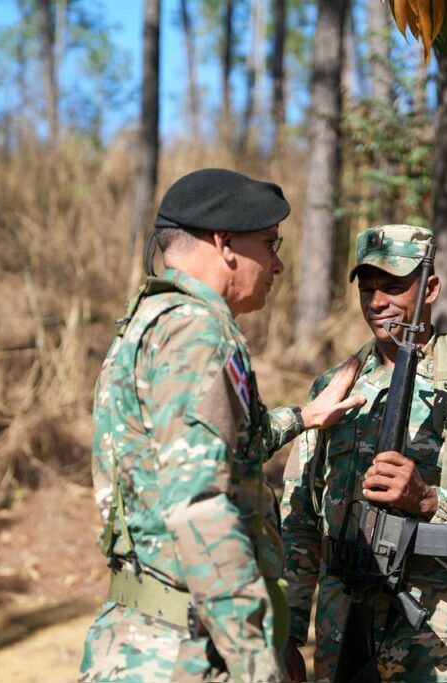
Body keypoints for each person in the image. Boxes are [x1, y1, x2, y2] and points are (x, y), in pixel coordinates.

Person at [80, 168, 365, 682]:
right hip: (186, 650)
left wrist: (306, 417)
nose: (278, 264)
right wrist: (255, 660)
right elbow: (199, 505)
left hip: (142, 635)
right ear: (225, 243)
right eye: (269, 244)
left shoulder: (150, 321)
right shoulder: (196, 331)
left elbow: (219, 447)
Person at [281, 225, 447, 682]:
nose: (378, 302)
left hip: (433, 636)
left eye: (395, 287)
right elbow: (299, 517)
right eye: (367, 289)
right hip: (340, 625)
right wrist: (289, 631)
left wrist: (429, 501)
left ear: (430, 288)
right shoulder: (333, 390)